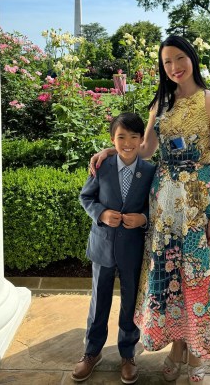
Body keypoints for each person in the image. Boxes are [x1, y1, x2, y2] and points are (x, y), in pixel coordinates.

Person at [90, 35, 210, 383]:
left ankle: (197, 353)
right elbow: (147, 150)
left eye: (179, 58)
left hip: (202, 202)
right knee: (172, 277)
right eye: (167, 62)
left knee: (197, 275)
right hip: (166, 206)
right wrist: (113, 151)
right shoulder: (161, 105)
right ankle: (177, 348)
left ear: (192, 58)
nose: (174, 68)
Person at [72, 112, 156, 384]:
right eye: (121, 137)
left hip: (133, 248)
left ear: (142, 139)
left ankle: (128, 352)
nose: (128, 143)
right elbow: (86, 196)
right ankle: (91, 351)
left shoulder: (150, 171)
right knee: (99, 301)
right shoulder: (102, 165)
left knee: (130, 301)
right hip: (103, 246)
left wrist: (143, 218)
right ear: (112, 139)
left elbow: (156, 206)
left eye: (134, 137)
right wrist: (100, 214)